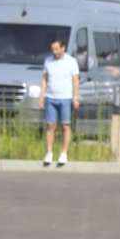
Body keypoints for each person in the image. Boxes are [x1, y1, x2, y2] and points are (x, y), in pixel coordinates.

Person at [39, 37, 80, 167]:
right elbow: (45, 79)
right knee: (50, 126)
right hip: (51, 97)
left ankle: (64, 153)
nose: (55, 52)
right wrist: (42, 96)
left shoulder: (71, 62)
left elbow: (75, 81)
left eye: (57, 49)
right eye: (53, 50)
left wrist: (75, 97)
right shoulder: (48, 61)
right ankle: (49, 152)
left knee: (65, 126)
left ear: (63, 48)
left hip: (65, 98)